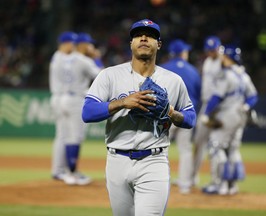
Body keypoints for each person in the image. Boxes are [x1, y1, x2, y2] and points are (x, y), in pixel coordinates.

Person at [82, 19, 196, 216]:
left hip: (154, 160)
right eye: (138, 35)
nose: (144, 38)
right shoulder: (109, 75)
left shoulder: (173, 80)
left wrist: (171, 113)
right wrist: (122, 103)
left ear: (158, 44)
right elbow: (88, 112)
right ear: (131, 43)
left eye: (150, 35)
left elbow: (190, 118)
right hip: (117, 160)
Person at [200, 44, 258, 195]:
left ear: (228, 58)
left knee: (216, 147)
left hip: (227, 115)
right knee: (232, 149)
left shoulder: (226, 75)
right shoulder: (244, 75)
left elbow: (216, 96)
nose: (222, 58)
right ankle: (232, 186)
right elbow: (253, 96)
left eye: (224, 56)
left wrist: (206, 113)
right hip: (241, 115)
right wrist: (246, 106)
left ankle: (220, 184)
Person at [49, 31, 103, 185]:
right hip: (74, 99)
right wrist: (96, 58)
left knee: (61, 136)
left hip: (58, 98)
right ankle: (72, 173)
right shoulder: (81, 60)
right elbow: (101, 75)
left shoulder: (57, 56)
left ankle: (58, 170)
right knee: (75, 137)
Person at [160, 39, 201, 194]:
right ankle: (185, 184)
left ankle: (160, 181)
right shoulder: (193, 70)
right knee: (185, 149)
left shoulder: (163, 69)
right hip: (185, 114)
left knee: (159, 147)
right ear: (183, 53)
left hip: (166, 114)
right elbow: (198, 95)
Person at [191, 36, 222, 187]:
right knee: (198, 142)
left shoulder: (223, 62)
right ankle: (192, 177)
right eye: (208, 50)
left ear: (218, 48)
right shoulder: (208, 62)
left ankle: (217, 180)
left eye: (213, 49)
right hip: (206, 106)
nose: (210, 52)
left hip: (219, 108)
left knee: (216, 144)